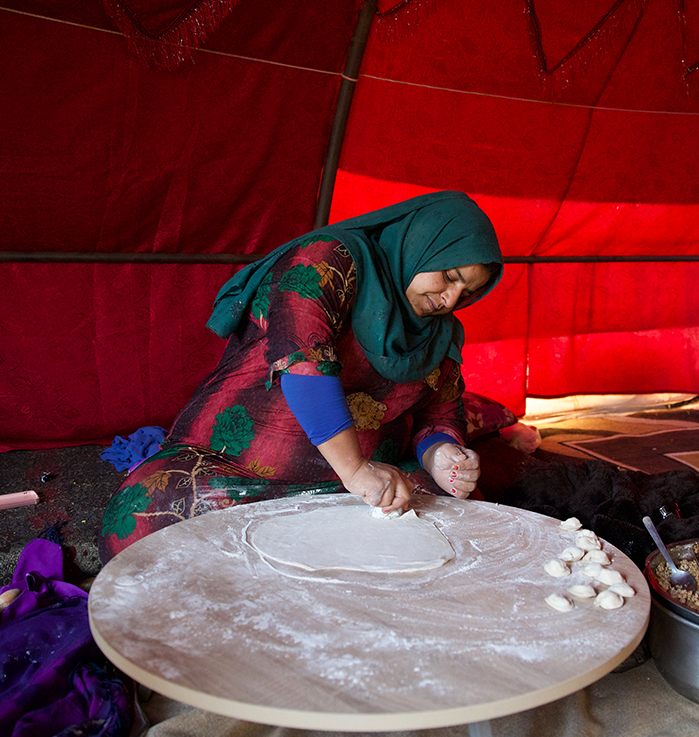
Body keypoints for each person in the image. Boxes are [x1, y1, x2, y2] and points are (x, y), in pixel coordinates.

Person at [98, 191, 503, 563]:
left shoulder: (442, 334)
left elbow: (439, 416)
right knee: (150, 507)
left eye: (468, 293)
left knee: (455, 519)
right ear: (422, 246)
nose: (451, 300)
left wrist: (442, 456)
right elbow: (306, 361)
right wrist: (357, 469)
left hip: (358, 491)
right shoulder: (329, 261)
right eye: (450, 276)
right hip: (239, 476)